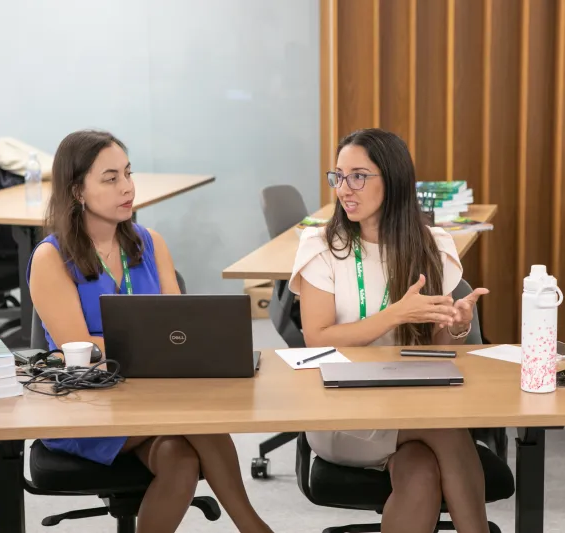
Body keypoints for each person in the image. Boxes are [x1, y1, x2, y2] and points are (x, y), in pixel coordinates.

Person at [27, 130, 273, 533]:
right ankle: (254, 527)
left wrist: (174, 346)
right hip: (87, 405)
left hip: (153, 397)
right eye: (110, 178)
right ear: (77, 192)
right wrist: (158, 348)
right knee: (197, 421)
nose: (128, 187)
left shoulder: (149, 243)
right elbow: (81, 349)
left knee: (180, 458)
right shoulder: (51, 258)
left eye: (128, 173)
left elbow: (179, 328)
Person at [290, 128, 492, 533]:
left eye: (359, 176)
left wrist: (456, 327)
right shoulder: (320, 246)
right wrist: (396, 314)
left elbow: (437, 351)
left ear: (394, 180)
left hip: (411, 402)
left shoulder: (432, 245)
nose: (345, 189)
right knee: (447, 431)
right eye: (339, 176)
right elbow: (317, 337)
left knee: (420, 473)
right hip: (342, 411)